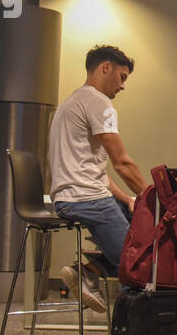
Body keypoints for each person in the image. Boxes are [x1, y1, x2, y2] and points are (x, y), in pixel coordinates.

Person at [48, 45, 147, 312]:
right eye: (122, 77)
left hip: (74, 197)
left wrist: (129, 199)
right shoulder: (99, 102)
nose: (123, 86)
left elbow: (97, 171)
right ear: (106, 68)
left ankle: (87, 272)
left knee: (142, 233)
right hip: (87, 200)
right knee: (139, 272)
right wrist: (155, 198)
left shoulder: (73, 101)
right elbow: (123, 163)